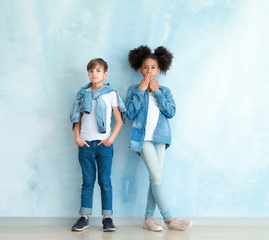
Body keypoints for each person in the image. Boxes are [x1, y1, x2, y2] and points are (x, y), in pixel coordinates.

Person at [125, 46, 193, 231]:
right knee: (156, 178)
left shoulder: (165, 91)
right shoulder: (134, 89)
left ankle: (148, 218)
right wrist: (141, 90)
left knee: (156, 179)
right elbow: (129, 114)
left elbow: (170, 112)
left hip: (161, 139)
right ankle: (169, 219)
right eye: (145, 67)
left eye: (153, 67)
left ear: (159, 69)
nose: (149, 71)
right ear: (140, 69)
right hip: (143, 139)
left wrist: (157, 92)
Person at [69, 58, 126, 232]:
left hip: (104, 145)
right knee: (87, 181)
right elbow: (77, 117)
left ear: (105, 74)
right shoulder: (82, 93)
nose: (94, 74)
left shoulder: (111, 94)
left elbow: (119, 120)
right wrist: (77, 138)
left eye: (98, 71)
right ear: (88, 73)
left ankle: (107, 218)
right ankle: (84, 217)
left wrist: (110, 140)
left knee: (105, 181)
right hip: (85, 143)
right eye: (91, 71)